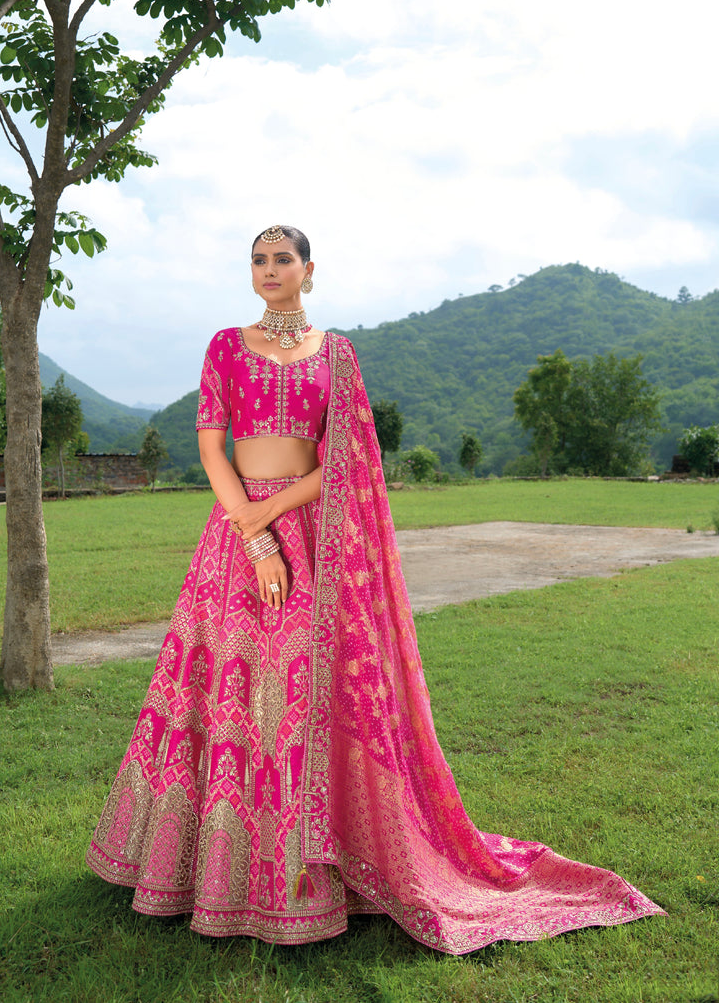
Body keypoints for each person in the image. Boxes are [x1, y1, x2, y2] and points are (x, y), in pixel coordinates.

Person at [86, 225, 664, 953]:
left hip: (308, 534)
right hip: (236, 543)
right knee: (230, 693)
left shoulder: (335, 353)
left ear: (309, 269)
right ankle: (208, 872)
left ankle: (307, 874)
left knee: (301, 699)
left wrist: (274, 510)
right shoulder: (226, 347)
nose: (269, 270)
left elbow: (348, 456)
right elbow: (211, 445)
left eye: (283, 258)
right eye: (258, 260)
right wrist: (255, 535)